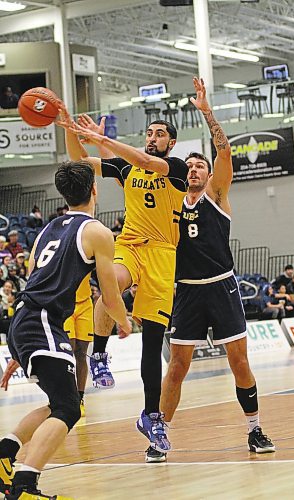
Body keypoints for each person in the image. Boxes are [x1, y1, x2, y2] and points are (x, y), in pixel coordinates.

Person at [148, 78, 275, 463]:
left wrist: (206, 112)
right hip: (185, 290)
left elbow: (224, 151)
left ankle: (254, 429)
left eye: (200, 165)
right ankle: (159, 437)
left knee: (239, 361)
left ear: (208, 174)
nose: (194, 170)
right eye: (189, 166)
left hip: (222, 287)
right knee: (176, 369)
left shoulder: (217, 196)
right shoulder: (171, 199)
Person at [57, 102, 188, 454]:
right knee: (109, 284)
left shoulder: (175, 168)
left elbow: (147, 163)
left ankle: (151, 417)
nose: (152, 138)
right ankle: (100, 354)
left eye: (159, 134)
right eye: (148, 133)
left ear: (171, 143)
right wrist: (73, 130)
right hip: (130, 245)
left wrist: (103, 139)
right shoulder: (126, 167)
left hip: (162, 255)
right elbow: (80, 164)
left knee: (151, 346)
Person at [0, 160, 131, 499]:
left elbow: (34, 279)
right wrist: (123, 319)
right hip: (42, 321)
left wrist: (20, 346)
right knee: (69, 409)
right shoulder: (99, 233)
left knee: (61, 402)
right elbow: (110, 293)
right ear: (94, 189)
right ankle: (25, 486)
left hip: (26, 320)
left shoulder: (47, 229)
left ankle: (3, 455)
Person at [63, 274, 94, 417]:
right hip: (64, 303)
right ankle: (66, 398)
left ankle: (80, 398)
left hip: (85, 304)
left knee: (81, 353)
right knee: (68, 351)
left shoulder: (89, 251)